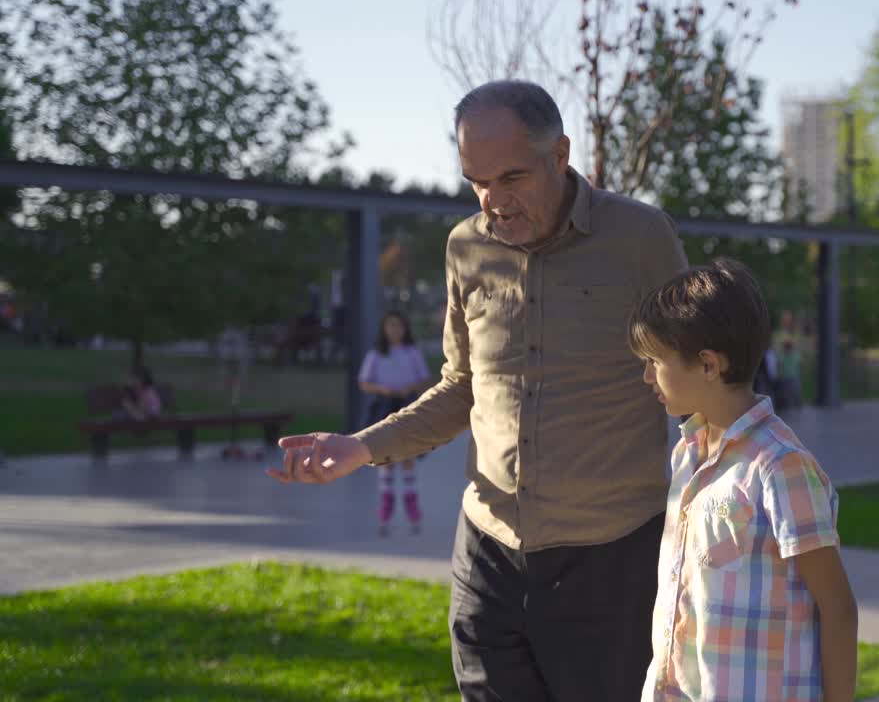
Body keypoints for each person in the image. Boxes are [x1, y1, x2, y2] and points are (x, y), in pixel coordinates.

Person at [266, 79, 688, 700]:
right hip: (488, 559)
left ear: (561, 154)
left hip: (611, 562)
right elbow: (463, 385)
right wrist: (361, 446)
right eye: (477, 181)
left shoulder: (642, 238)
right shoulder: (465, 247)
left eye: (511, 177)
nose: (494, 201)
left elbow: (692, 371)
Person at [627, 258, 859, 702]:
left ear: (708, 365)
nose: (646, 376)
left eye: (655, 361)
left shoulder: (780, 466)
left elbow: (837, 607)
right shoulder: (687, 455)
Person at [358, 311, 432, 536]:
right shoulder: (376, 354)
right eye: (390, 326)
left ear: (405, 329)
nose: (395, 330)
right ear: (384, 329)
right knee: (386, 457)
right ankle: (385, 509)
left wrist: (410, 388)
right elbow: (364, 382)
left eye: (399, 326)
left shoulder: (412, 352)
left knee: (408, 456)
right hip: (384, 406)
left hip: (407, 405)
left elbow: (425, 379)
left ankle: (412, 509)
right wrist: (382, 389)